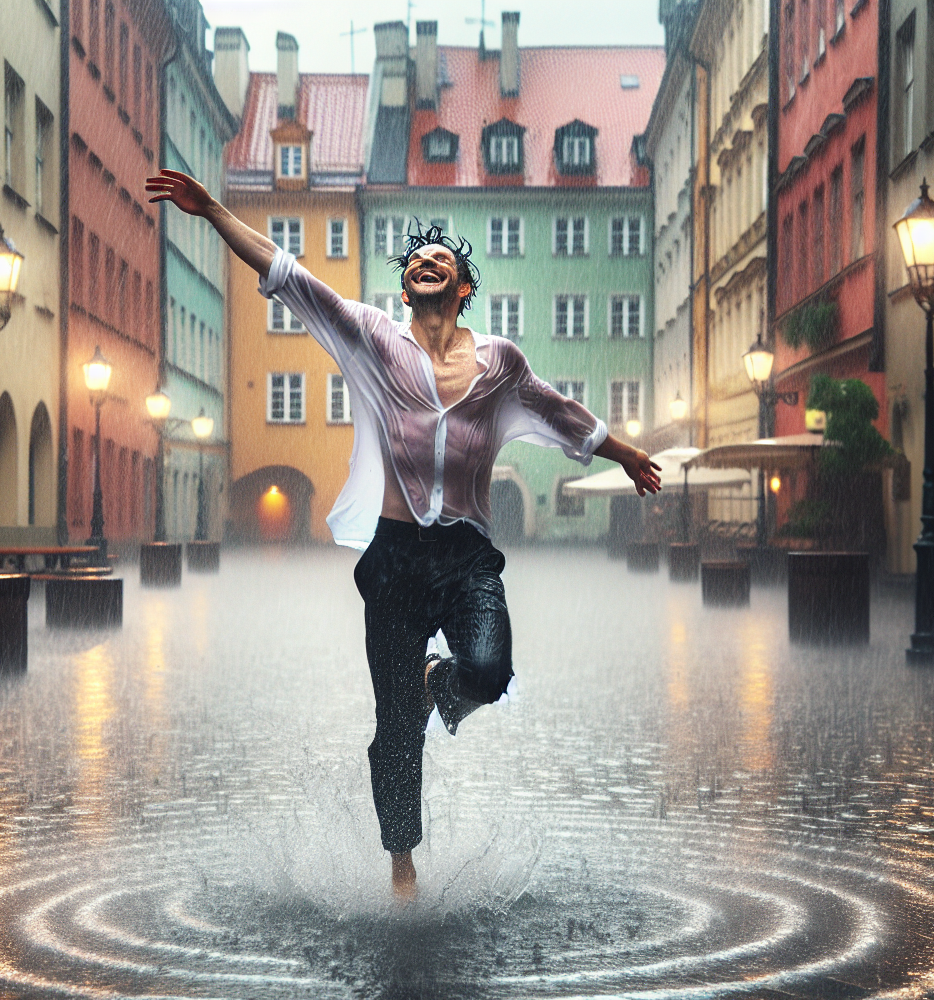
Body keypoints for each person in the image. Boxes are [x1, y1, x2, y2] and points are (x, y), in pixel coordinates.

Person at [145, 169, 662, 900]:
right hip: (393, 560)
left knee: (490, 673)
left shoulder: (499, 363)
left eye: (441, 260)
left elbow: (558, 410)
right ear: (405, 288)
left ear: (462, 289)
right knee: (395, 728)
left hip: (466, 558)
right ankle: (401, 863)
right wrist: (214, 212)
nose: (425, 260)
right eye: (416, 259)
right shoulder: (374, 339)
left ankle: (440, 683)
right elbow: (286, 273)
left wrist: (623, 450)